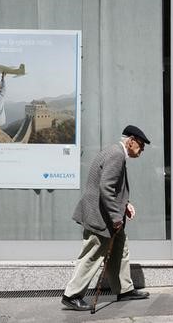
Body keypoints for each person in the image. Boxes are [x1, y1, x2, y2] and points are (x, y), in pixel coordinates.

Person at [61, 125, 152, 311]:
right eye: (140, 145)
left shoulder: (115, 152)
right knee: (92, 254)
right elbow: (106, 188)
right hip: (101, 217)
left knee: (120, 250)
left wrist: (125, 204)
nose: (142, 150)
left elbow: (110, 187)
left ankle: (124, 289)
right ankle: (71, 295)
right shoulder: (117, 155)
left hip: (106, 215)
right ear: (131, 141)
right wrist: (116, 218)